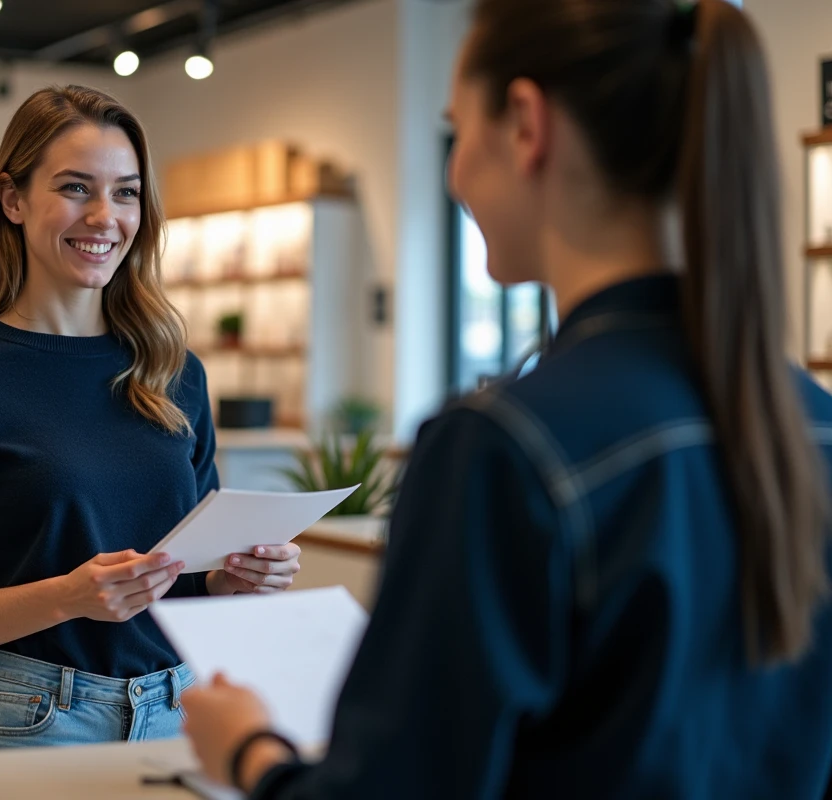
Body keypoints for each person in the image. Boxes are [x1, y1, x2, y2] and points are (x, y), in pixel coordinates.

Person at [183, 1, 832, 797]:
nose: (453, 174)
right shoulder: (813, 425)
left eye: (457, 131)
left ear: (526, 125)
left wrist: (251, 751)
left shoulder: (503, 448)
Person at [0, 85, 302, 752]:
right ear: (13, 200)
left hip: (180, 711)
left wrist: (226, 580)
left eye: (125, 192)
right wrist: (66, 598)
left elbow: (183, 576)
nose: (104, 216)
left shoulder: (175, 372)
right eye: (76, 188)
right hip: (37, 720)